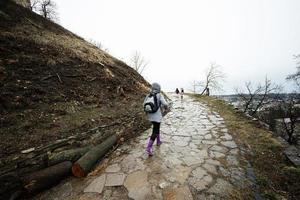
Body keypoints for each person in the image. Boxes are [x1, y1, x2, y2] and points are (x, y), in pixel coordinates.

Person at [144, 83, 169, 156]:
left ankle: (158, 141)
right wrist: (167, 107)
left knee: (156, 128)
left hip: (150, 115)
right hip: (157, 116)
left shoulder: (148, 95)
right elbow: (165, 104)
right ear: (158, 89)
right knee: (155, 131)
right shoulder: (159, 95)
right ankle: (148, 148)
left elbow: (143, 105)